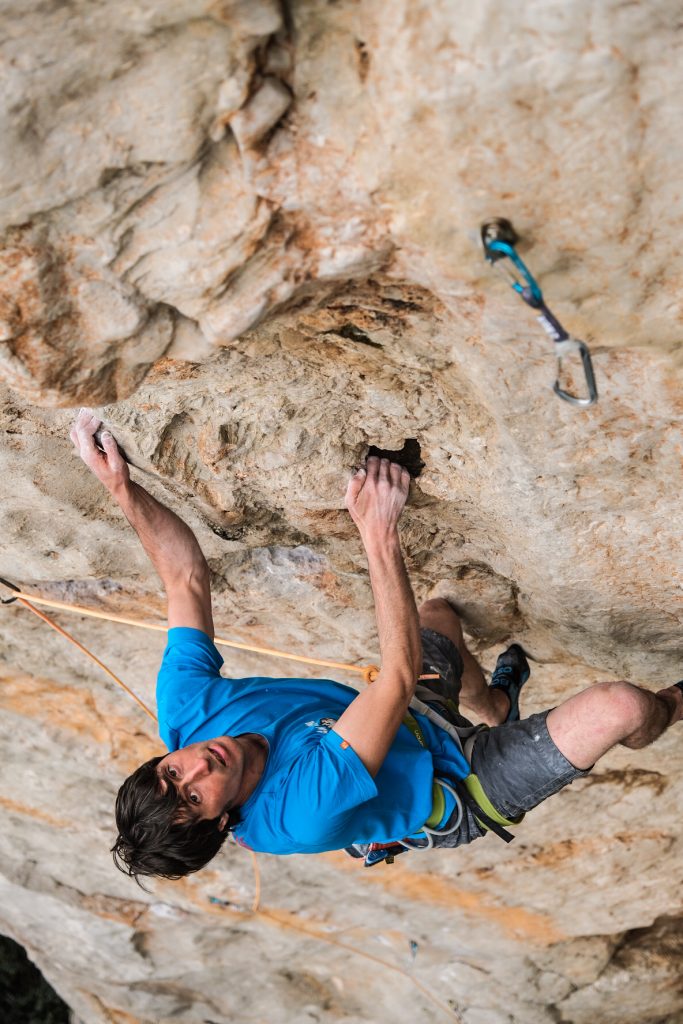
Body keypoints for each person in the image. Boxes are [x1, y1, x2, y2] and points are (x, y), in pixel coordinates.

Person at [69, 409, 683, 880]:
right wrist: (377, 530)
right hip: (461, 785)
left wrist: (123, 491)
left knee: (439, 613)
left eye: (174, 771)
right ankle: (676, 704)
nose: (201, 763)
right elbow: (394, 674)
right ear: (224, 822)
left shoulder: (187, 713)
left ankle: (495, 707)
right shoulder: (296, 812)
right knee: (622, 707)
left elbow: (184, 578)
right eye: (196, 795)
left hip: (410, 718)